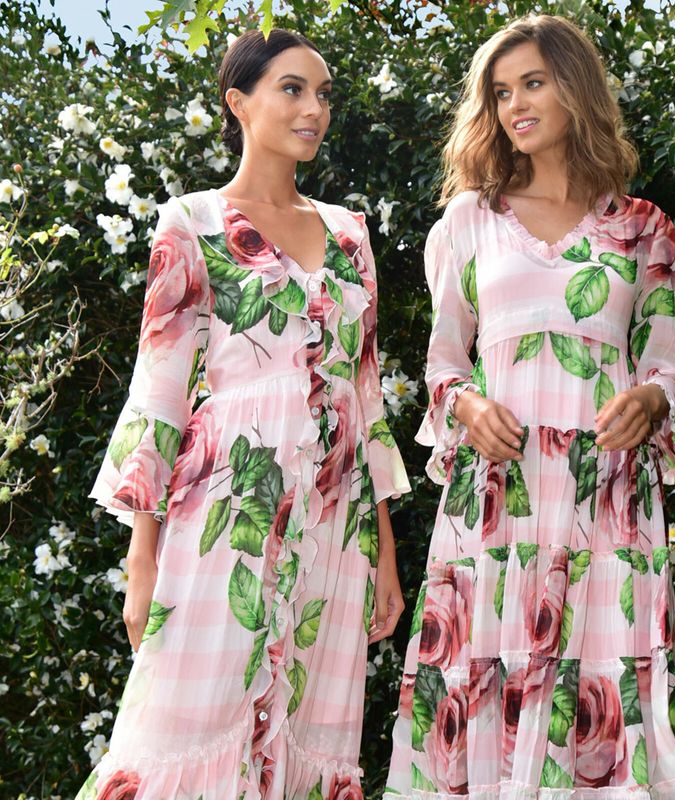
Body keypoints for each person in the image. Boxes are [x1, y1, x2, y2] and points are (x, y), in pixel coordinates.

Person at [77, 28, 410, 799]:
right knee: (178, 729)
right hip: (225, 511)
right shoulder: (191, 222)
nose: (314, 109)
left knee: (307, 733)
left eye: (323, 94)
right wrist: (141, 560)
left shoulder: (351, 234)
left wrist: (385, 548)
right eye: (292, 89)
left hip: (333, 528)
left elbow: (364, 397)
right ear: (239, 102)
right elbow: (159, 394)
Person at [384, 14, 675, 797]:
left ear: (575, 87)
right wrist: (466, 407)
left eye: (533, 83)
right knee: (483, 690)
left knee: (600, 697)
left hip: (605, 497)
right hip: (499, 501)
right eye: (501, 93)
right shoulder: (470, 222)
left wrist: (652, 398)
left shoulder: (643, 229)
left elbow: (667, 361)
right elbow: (443, 360)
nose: (515, 105)